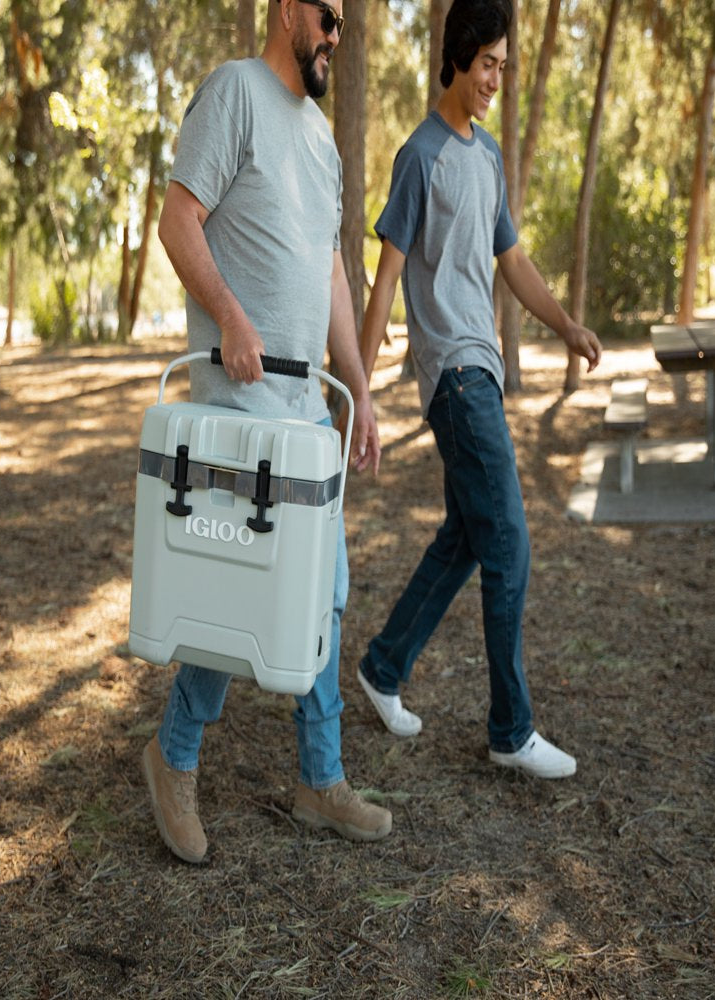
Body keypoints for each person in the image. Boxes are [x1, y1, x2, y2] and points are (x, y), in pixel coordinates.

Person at [142, 0, 391, 864]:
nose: (334, 33)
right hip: (238, 405)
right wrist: (230, 317)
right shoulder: (234, 93)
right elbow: (178, 221)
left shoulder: (321, 141)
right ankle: (172, 757)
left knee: (320, 589)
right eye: (327, 15)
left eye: (343, 25)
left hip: (305, 410)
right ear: (287, 7)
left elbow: (329, 271)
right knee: (243, 593)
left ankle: (320, 782)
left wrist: (357, 388)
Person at [353, 0, 602, 779]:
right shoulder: (418, 157)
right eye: (487, 62)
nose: (496, 78)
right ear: (458, 58)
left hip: (483, 368)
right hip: (454, 377)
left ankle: (383, 667)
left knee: (466, 538)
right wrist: (358, 391)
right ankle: (511, 728)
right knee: (511, 546)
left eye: (503, 65)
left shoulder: (487, 156)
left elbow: (514, 262)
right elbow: (387, 277)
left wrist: (565, 325)